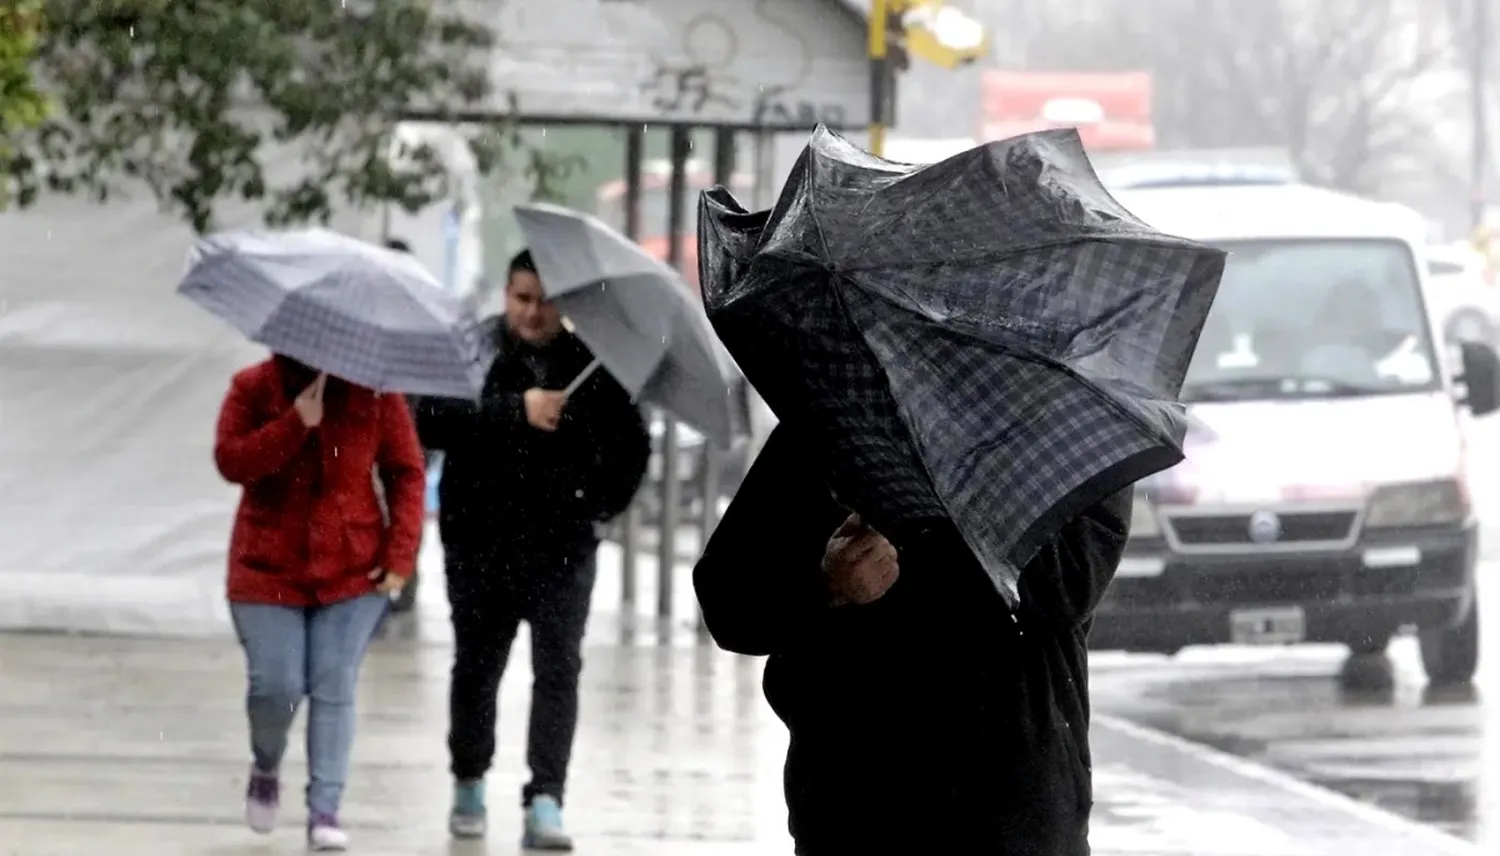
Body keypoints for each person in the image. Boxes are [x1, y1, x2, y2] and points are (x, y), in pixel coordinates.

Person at [693, 421, 1132, 855]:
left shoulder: (1073, 431)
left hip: (1013, 801)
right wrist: (824, 584)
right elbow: (729, 601)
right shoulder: (837, 422)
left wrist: (923, 526)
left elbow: (1064, 584)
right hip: (853, 797)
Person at [416, 249, 650, 849]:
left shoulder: (592, 362)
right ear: (505, 294)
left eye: (545, 299)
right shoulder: (473, 354)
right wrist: (514, 412)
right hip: (479, 546)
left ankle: (546, 795)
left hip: (562, 550)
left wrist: (598, 507)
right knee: (476, 669)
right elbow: (431, 420)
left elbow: (631, 448)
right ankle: (468, 776)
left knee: (558, 672)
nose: (532, 311)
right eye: (522, 297)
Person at [213, 355, 426, 851]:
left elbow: (406, 470)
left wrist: (401, 553)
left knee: (333, 681)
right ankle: (266, 763)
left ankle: (324, 808)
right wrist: (293, 424)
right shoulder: (252, 388)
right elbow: (231, 461)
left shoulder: (376, 392)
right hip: (267, 569)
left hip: (352, 569)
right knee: (277, 685)